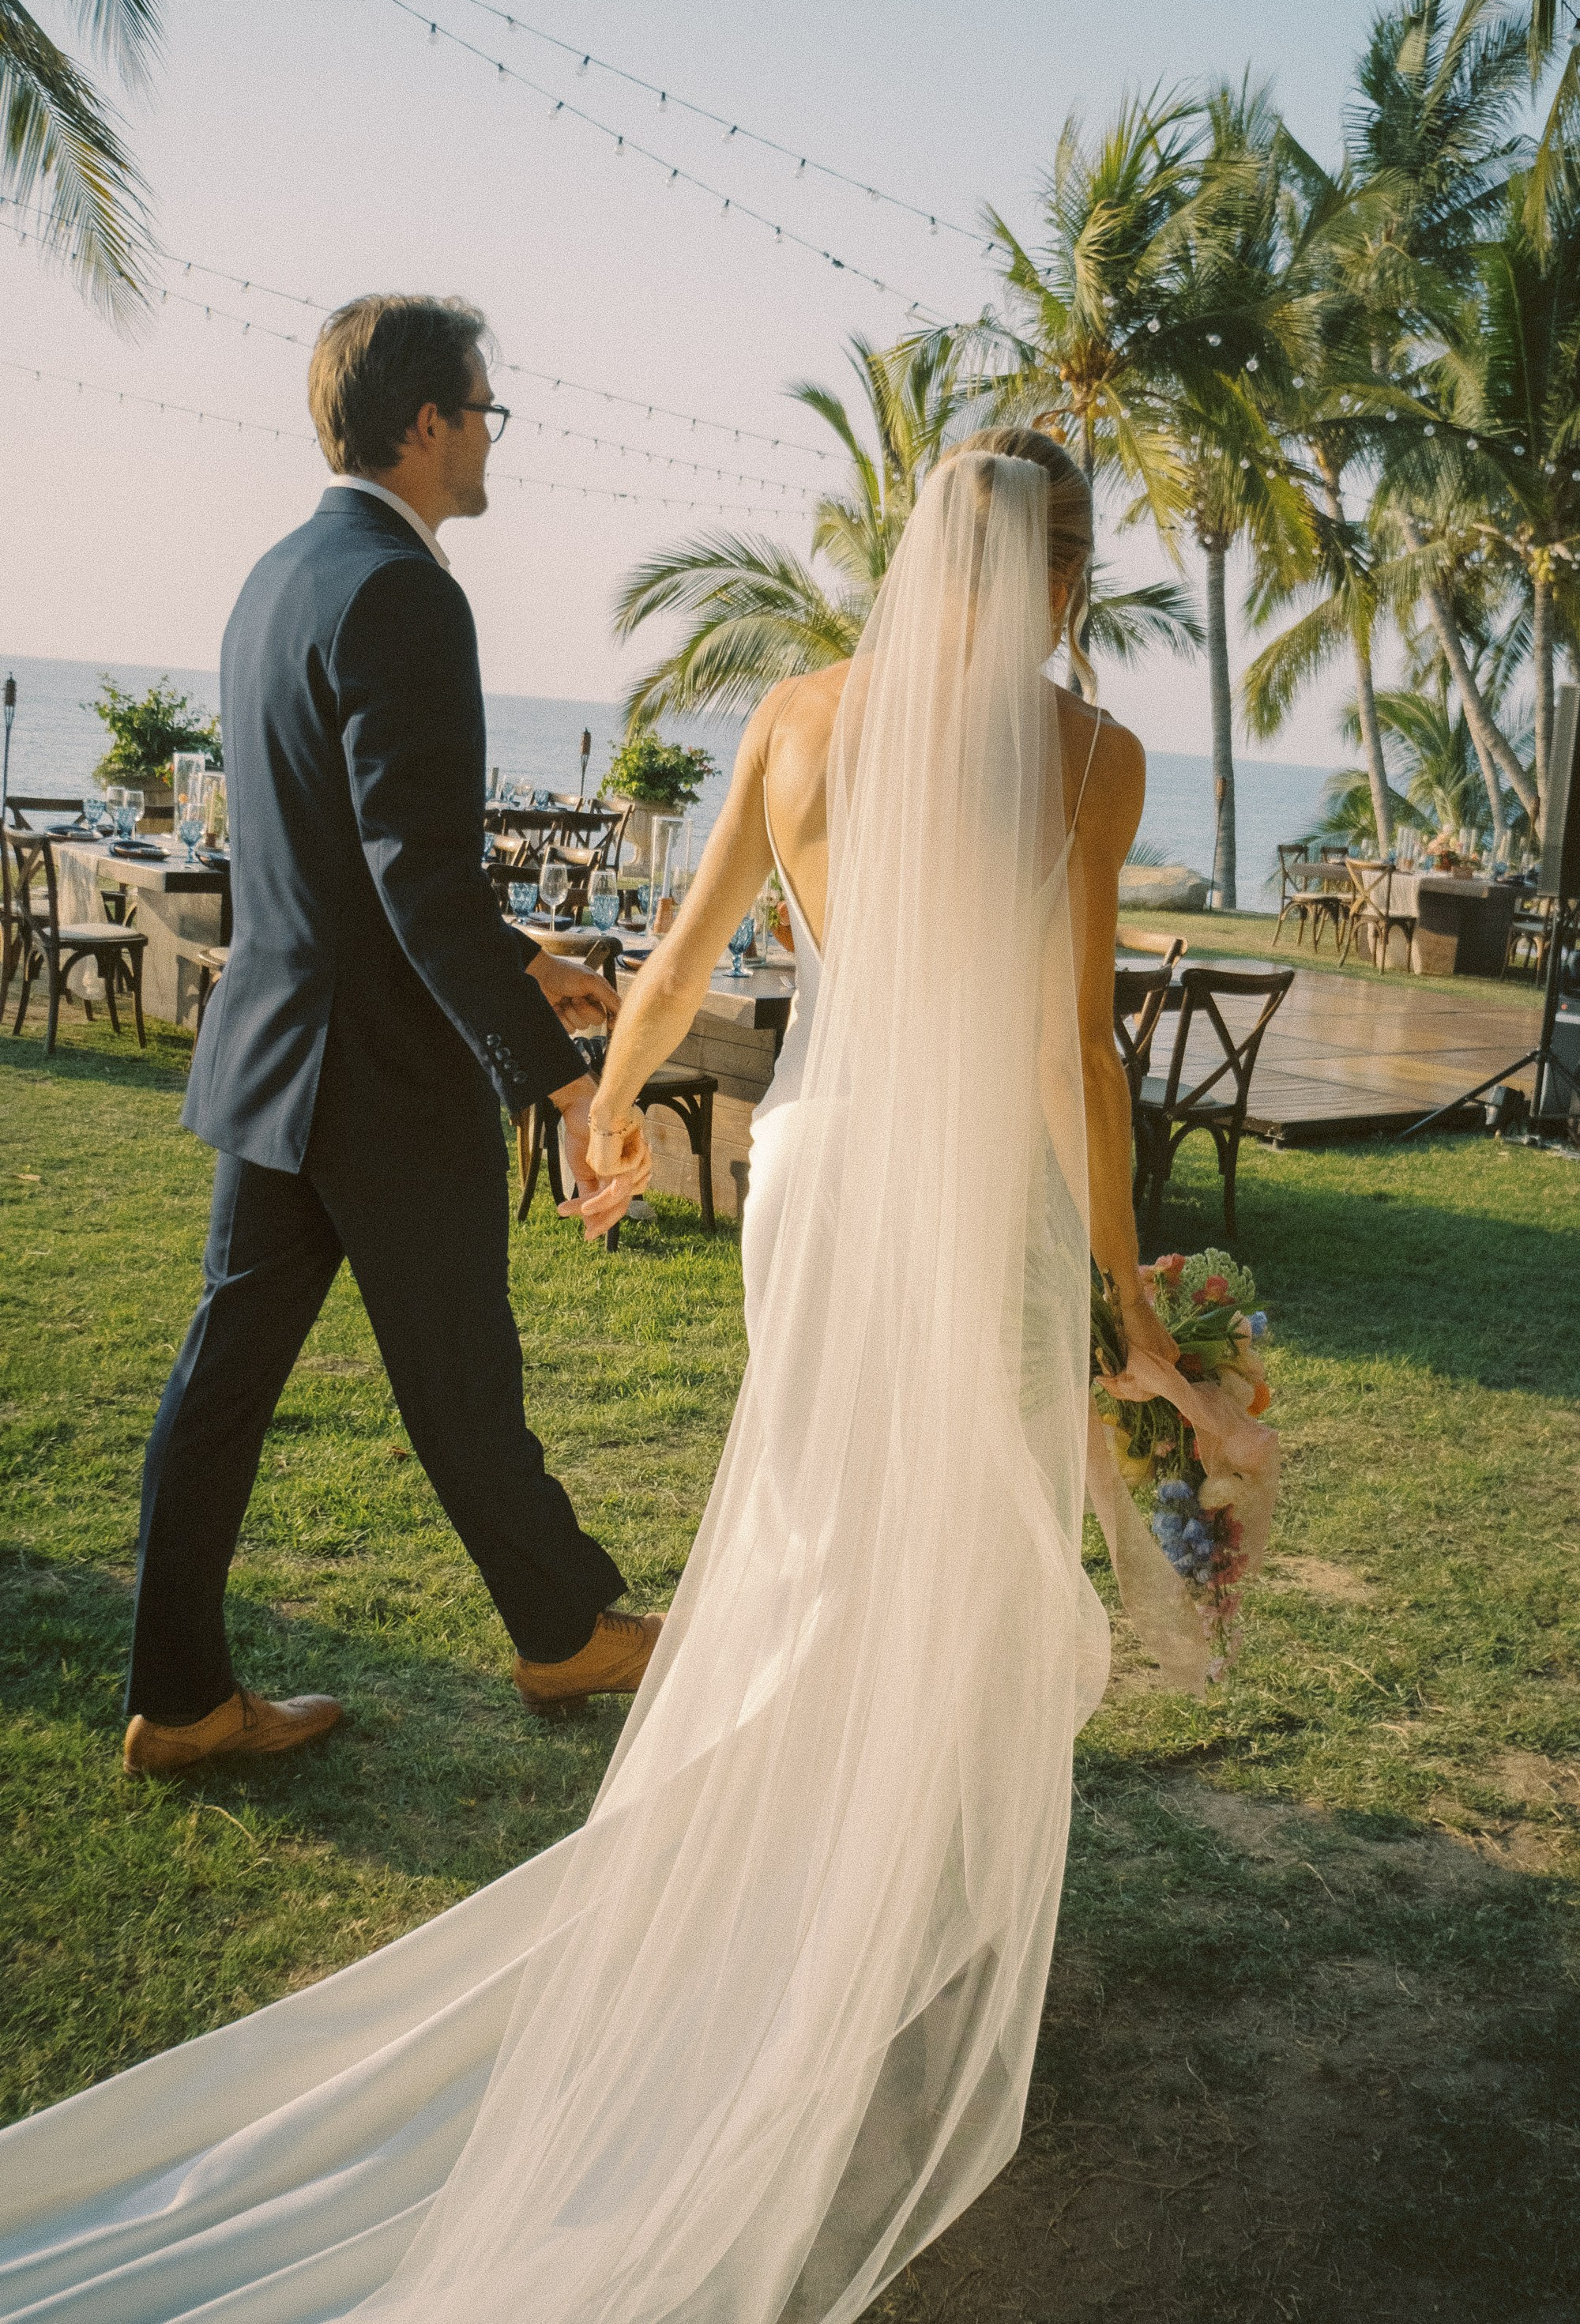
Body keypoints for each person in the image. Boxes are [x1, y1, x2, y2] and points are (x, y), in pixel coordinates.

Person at [0, 434, 1176, 2324]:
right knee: (953, 1548)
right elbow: (1080, 1061)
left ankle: (818, 1892)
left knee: (811, 1543)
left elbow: (686, 948)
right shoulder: (1090, 758)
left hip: (813, 1173)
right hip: (965, 1201)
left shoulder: (796, 717)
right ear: (1055, 576)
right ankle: (895, 1919)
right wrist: (1126, 1295)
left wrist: (604, 1115)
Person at [122, 294, 656, 1780]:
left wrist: (522, 952)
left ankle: (178, 1700)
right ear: (424, 424)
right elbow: (413, 875)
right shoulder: (408, 593)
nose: (493, 439)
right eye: (485, 411)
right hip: (378, 1075)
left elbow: (346, 865)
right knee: (461, 1373)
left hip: (279, 1057)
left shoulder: (276, 579)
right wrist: (556, 1081)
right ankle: (564, 1635)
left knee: (223, 1383)